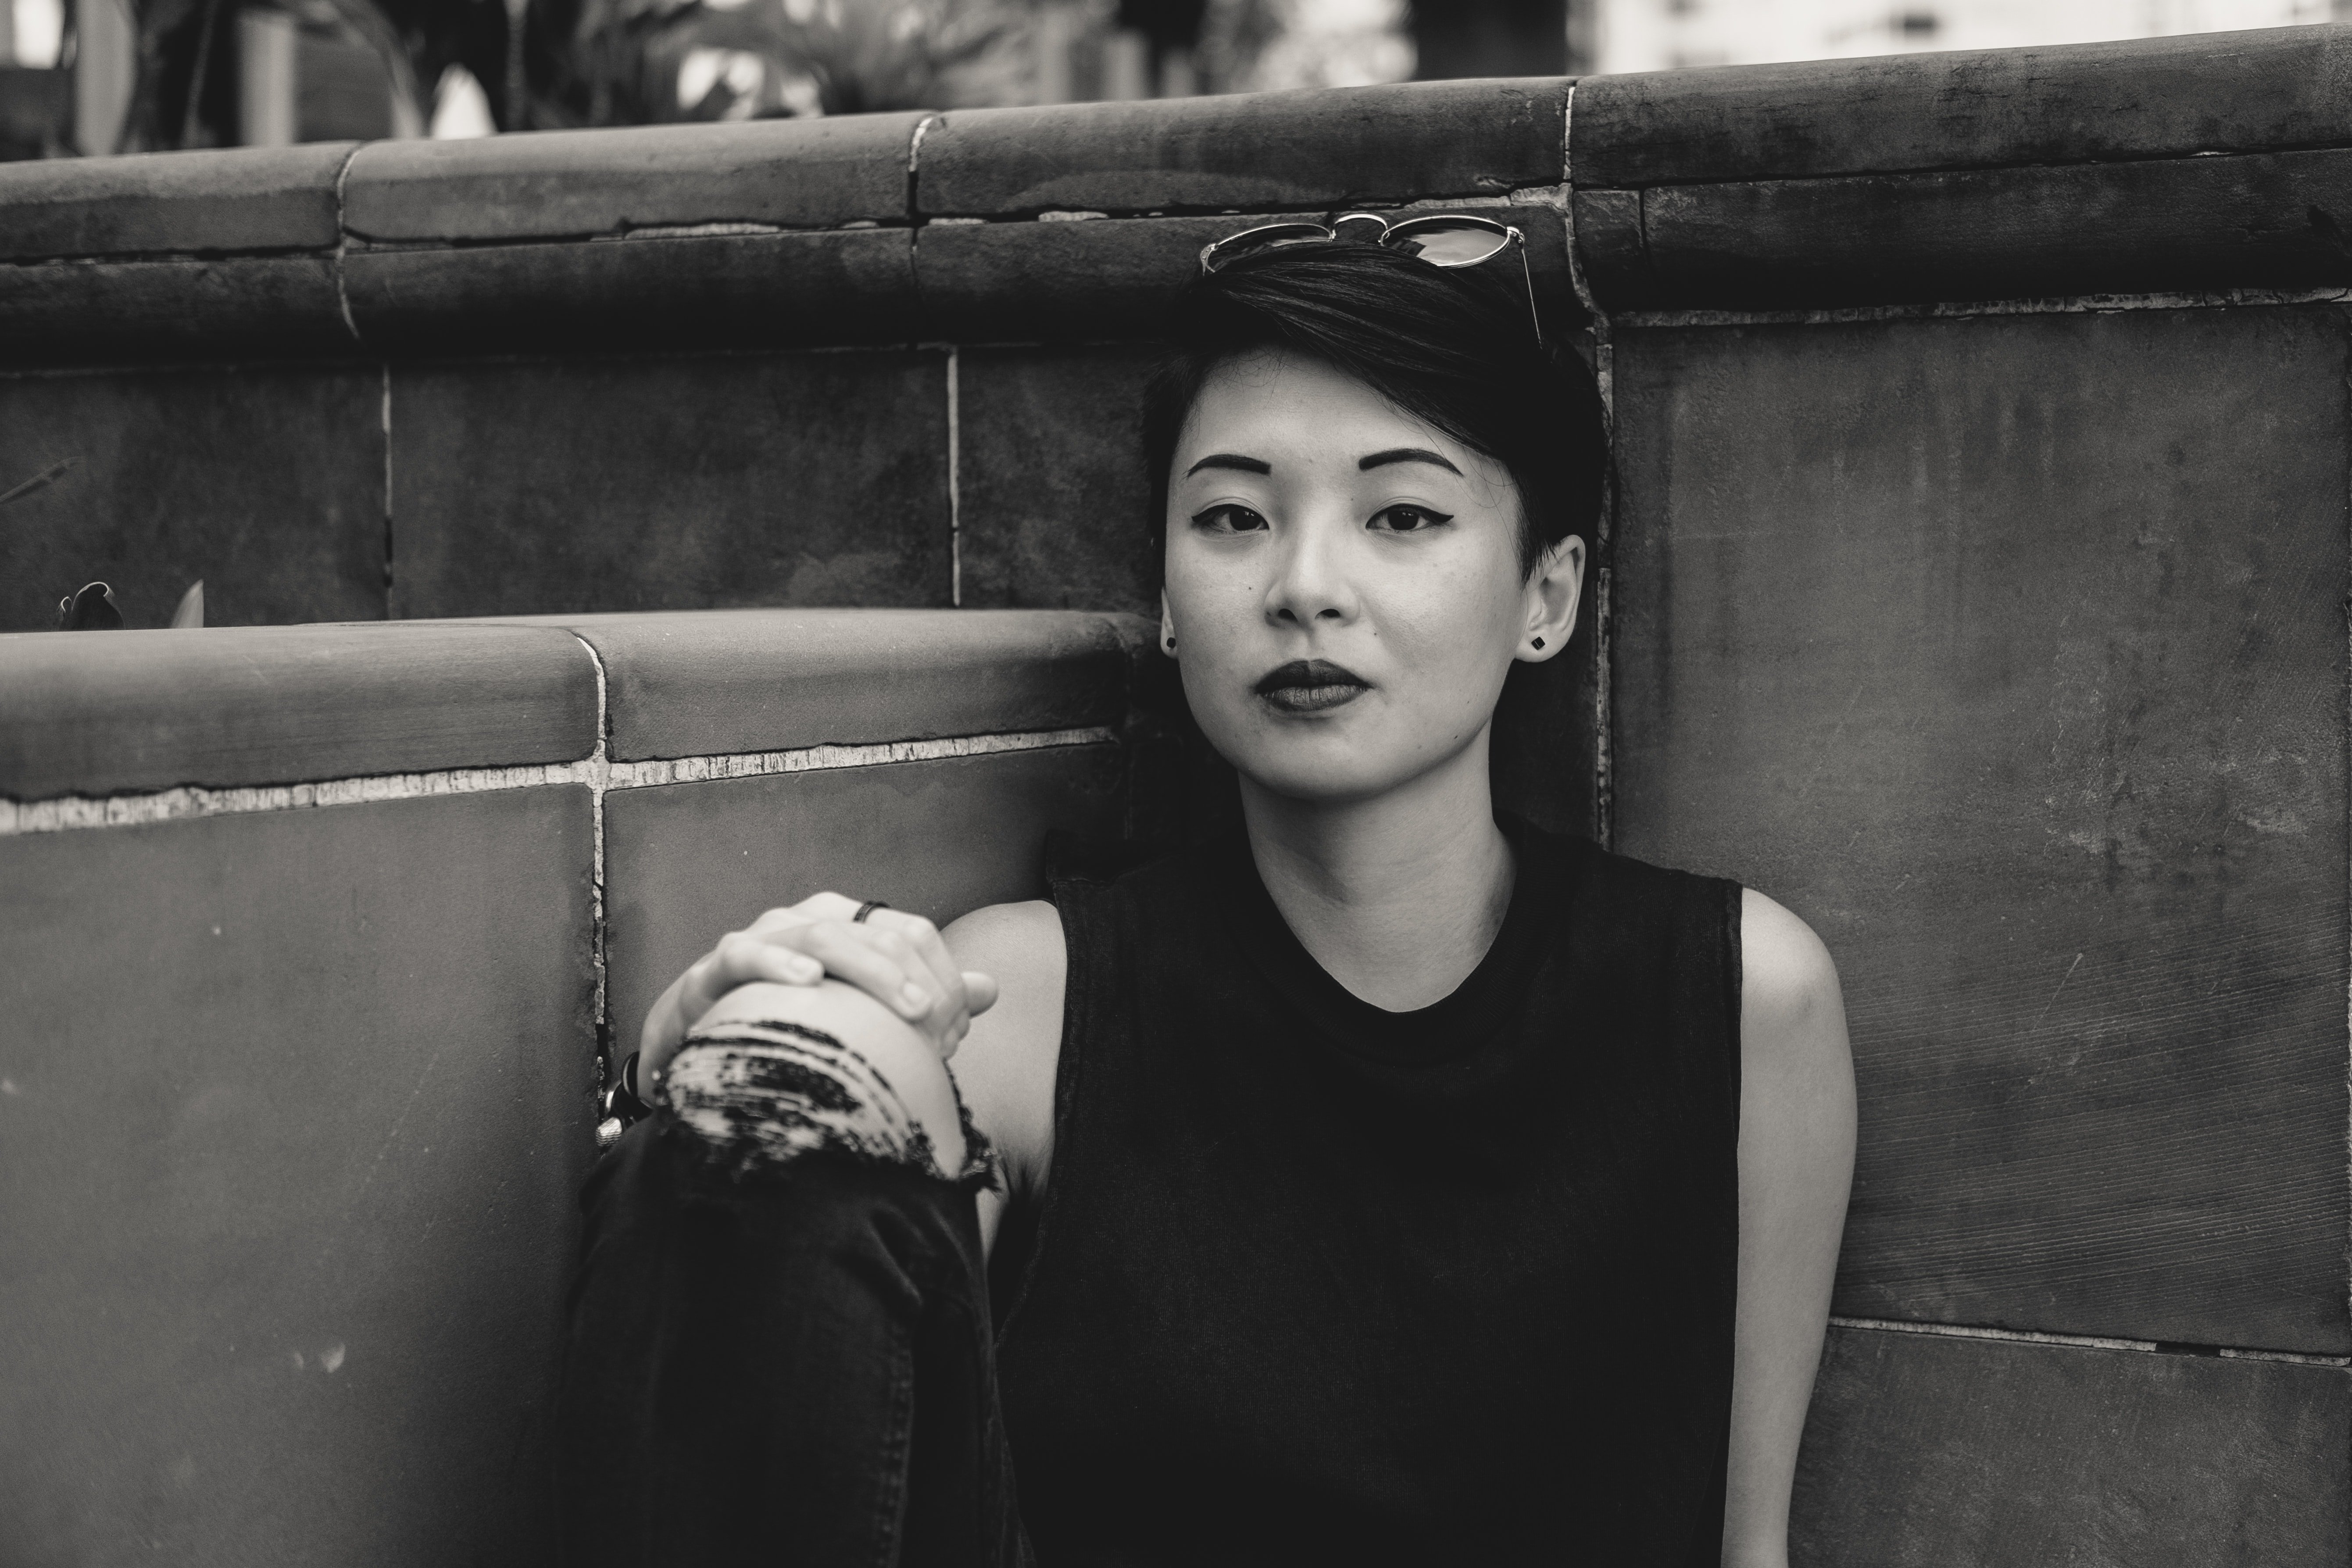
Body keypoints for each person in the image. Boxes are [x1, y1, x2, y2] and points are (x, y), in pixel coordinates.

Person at [556, 217, 1857, 1568]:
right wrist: (692, 1100)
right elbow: (789, 1320)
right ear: (1168, 600)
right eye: (1232, 517)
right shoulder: (1032, 999)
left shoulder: (1735, 999)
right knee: (799, 1045)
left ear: (1547, 591)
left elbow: (1739, 1550)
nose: (1303, 588)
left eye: (1402, 515)